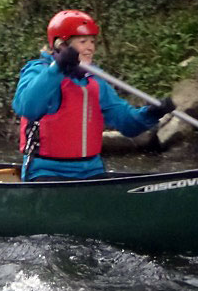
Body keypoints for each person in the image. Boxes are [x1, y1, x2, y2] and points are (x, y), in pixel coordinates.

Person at [12, 10, 175, 181]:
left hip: (91, 170)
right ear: (62, 44)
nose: (90, 47)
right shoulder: (39, 71)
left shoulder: (95, 80)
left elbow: (126, 123)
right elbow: (27, 107)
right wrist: (58, 68)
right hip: (47, 171)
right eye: (83, 41)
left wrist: (152, 113)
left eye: (92, 41)